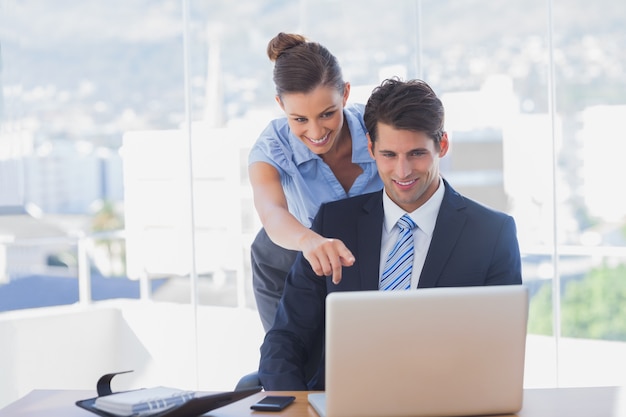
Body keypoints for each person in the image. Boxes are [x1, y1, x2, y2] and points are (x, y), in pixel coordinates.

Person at [258, 78, 523, 391]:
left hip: (447, 405)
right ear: (370, 148)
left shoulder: (492, 234)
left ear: (443, 145)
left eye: (416, 154)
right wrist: (294, 408)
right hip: (345, 407)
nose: (402, 171)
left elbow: (500, 351)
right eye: (388, 155)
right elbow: (285, 339)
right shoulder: (333, 224)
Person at [248, 33, 383, 332]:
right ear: (280, 105)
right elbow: (272, 213)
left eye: (327, 114)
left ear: (345, 94)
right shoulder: (271, 148)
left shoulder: (379, 127)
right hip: (298, 267)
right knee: (293, 368)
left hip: (377, 267)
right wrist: (310, 240)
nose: (316, 131)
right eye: (299, 119)